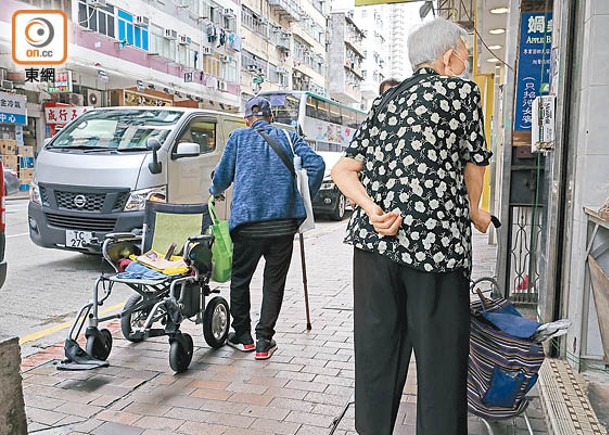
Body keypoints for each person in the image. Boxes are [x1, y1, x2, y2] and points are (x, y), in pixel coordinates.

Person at [331, 18, 493, 435]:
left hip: (374, 244)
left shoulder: (385, 100)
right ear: (447, 56)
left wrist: (371, 208)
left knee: (376, 357)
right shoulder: (461, 91)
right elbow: (475, 161)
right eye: (465, 54)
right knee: (440, 362)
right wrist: (474, 210)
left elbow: (344, 170)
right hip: (435, 246)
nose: (466, 62)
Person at [209, 97, 324, 360]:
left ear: (247, 119)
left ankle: (243, 336)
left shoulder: (238, 137)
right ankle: (264, 340)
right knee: (274, 282)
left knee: (241, 280)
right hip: (283, 224)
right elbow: (316, 165)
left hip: (247, 224)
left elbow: (222, 176)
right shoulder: (289, 136)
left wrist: (214, 191)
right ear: (271, 117)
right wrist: (304, 198)